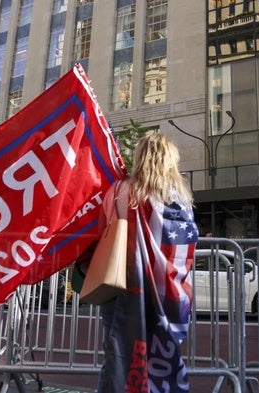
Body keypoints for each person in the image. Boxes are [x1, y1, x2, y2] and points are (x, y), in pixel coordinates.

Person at [96, 133, 198, 393]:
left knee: (118, 358)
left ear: (140, 158)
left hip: (120, 287)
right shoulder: (181, 200)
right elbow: (186, 245)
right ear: (170, 162)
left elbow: (101, 233)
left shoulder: (119, 190)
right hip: (167, 296)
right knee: (160, 358)